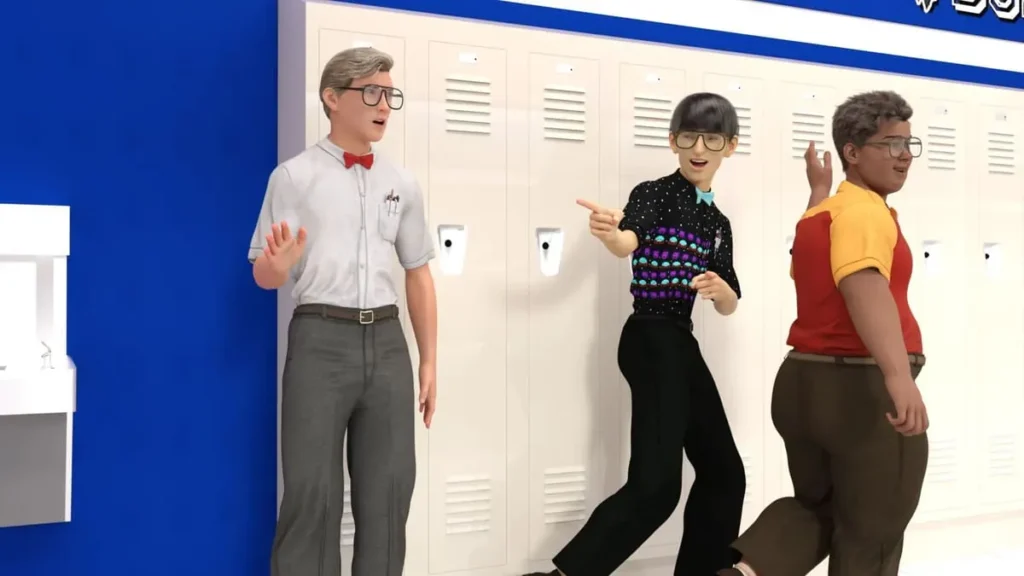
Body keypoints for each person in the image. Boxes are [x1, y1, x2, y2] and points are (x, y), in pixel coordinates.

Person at [525, 92, 747, 576]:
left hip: (680, 340)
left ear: (730, 146)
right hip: (650, 336)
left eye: (712, 139)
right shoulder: (655, 193)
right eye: (688, 137)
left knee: (724, 473)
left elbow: (730, 300)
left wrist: (721, 290)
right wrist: (611, 233)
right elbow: (628, 241)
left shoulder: (718, 224)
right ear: (673, 141)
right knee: (656, 487)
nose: (699, 148)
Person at [718, 90, 930, 576]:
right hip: (860, 392)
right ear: (852, 152)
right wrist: (898, 378)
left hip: (802, 385)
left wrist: (819, 188)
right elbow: (862, 286)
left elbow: (808, 269)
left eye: (908, 144)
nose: (904, 156)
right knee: (874, 529)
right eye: (891, 144)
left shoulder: (822, 214)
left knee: (819, 507)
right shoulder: (865, 212)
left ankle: (742, 573)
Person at [248, 47, 438, 576]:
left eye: (390, 95)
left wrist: (428, 360)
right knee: (312, 494)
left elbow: (418, 273)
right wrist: (275, 265)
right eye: (372, 92)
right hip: (320, 340)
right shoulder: (293, 177)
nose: (384, 105)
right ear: (332, 98)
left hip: (388, 343)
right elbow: (264, 274)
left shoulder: (402, 182)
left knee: (390, 494)